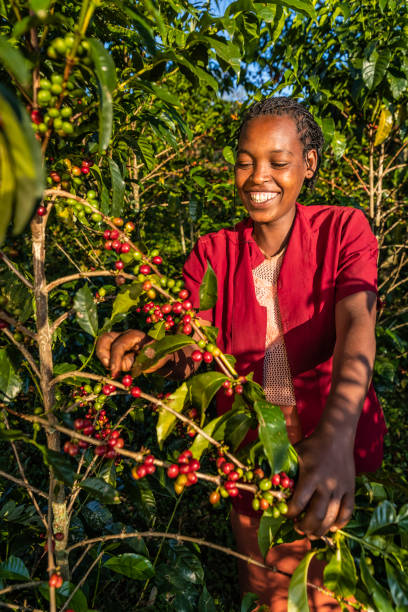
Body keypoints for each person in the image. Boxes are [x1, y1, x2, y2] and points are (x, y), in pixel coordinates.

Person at [96, 97, 386, 610]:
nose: (259, 177)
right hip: (250, 459)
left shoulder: (344, 230)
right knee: (271, 593)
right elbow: (192, 345)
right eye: (246, 161)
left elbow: (356, 320)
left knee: (339, 590)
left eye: (278, 161)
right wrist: (150, 350)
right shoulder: (212, 253)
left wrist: (337, 436)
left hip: (332, 448)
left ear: (308, 165)